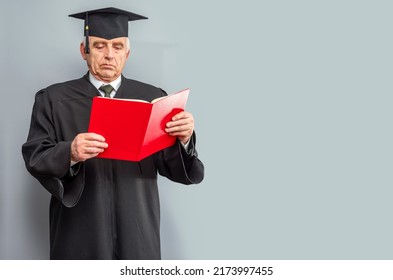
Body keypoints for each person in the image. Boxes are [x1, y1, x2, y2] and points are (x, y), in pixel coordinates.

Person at [21, 7, 204, 260]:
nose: (109, 55)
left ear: (127, 53)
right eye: (99, 46)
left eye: (117, 47)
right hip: (80, 230)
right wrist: (70, 153)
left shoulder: (153, 99)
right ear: (84, 51)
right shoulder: (53, 99)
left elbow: (174, 169)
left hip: (137, 229)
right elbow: (35, 157)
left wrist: (183, 140)